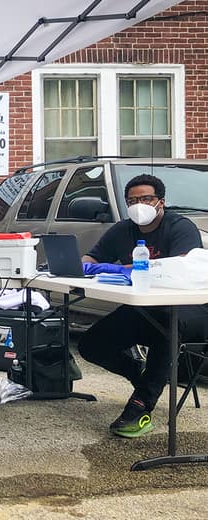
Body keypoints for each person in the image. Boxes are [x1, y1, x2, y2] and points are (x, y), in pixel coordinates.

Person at [79, 173, 208, 438]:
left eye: (146, 198)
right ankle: (142, 377)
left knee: (166, 327)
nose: (140, 204)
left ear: (161, 201)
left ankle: (140, 406)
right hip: (145, 306)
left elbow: (182, 266)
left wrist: (124, 267)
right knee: (90, 344)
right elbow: (89, 257)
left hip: (192, 308)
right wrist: (90, 265)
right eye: (132, 200)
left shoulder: (180, 227)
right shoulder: (122, 230)